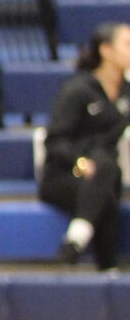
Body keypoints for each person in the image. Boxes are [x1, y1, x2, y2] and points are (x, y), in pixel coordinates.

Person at [41, 23, 129, 270]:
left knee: (108, 171)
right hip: (65, 174)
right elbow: (54, 141)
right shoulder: (78, 90)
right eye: (128, 44)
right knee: (107, 187)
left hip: (103, 174)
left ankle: (75, 243)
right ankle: (108, 269)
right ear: (106, 50)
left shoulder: (127, 93)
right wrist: (81, 163)